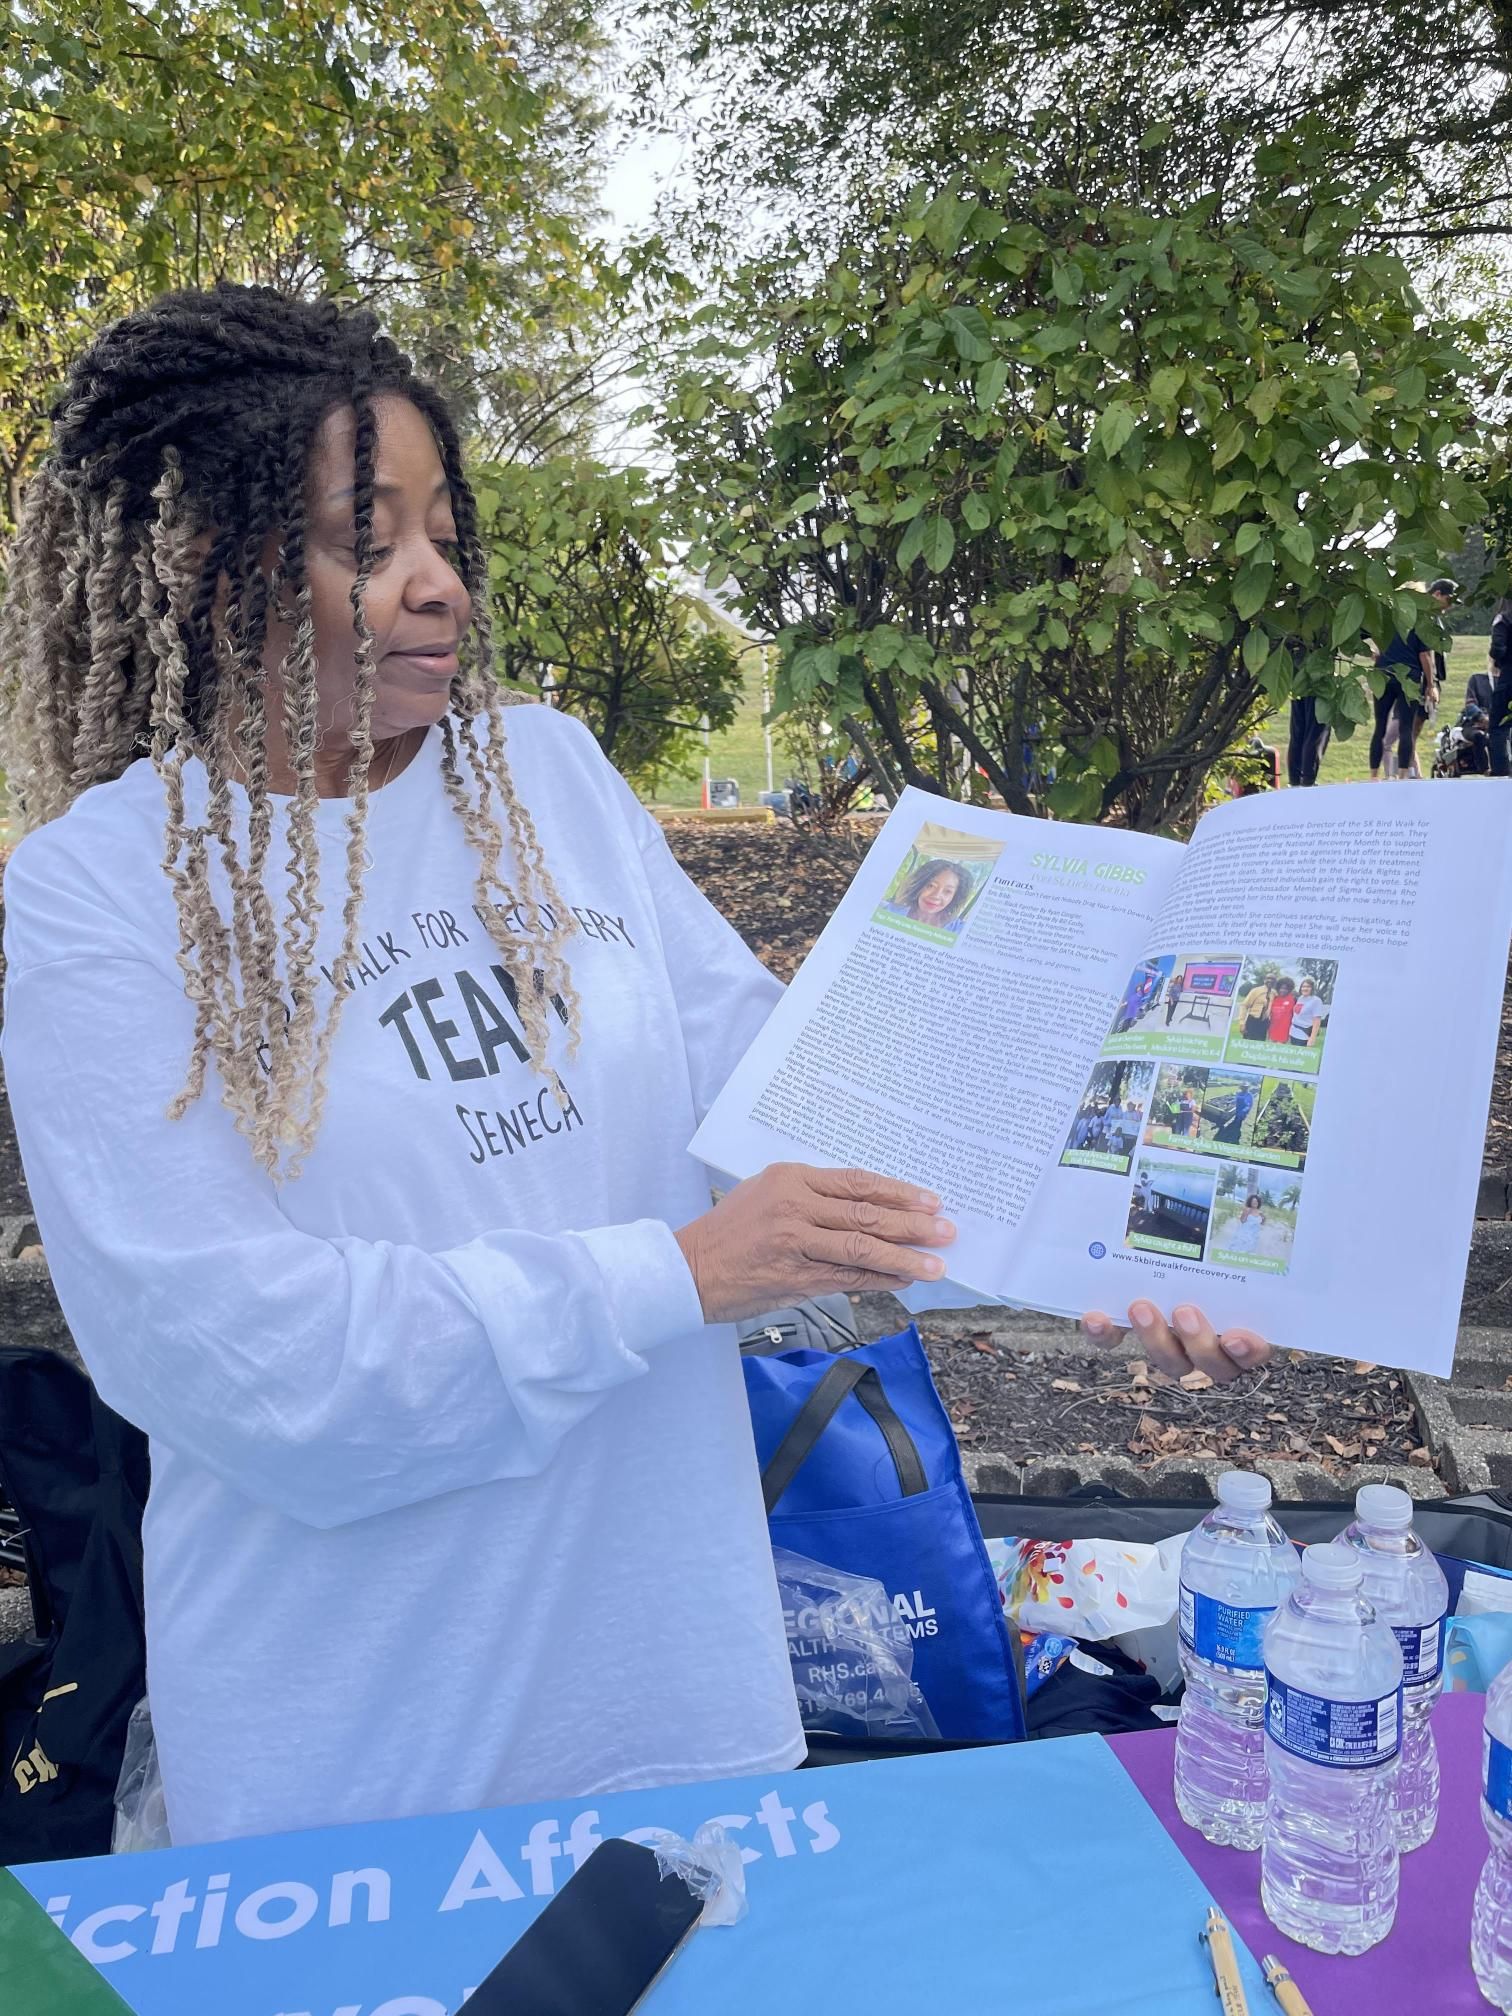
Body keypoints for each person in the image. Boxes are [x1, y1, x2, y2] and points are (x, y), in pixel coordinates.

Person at [0, 285, 1266, 1848]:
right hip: (355, 1753)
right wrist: (678, 1274)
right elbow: (234, 1360)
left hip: (672, 1701)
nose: (435, 587)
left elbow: (777, 1110)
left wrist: (1093, 1243)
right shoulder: (104, 886)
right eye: (365, 539)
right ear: (206, 563)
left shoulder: (547, 777)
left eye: (446, 540)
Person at [1369, 600, 1439, 781]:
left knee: (1380, 727)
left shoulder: (1384, 621)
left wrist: (1374, 653)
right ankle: (1403, 773)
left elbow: (1365, 636)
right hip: (1409, 677)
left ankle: (1374, 774)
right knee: (1406, 727)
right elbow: (1424, 656)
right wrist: (1430, 685)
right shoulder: (1418, 623)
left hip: (1384, 674)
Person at [883, 857, 973, 932]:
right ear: (919, 886)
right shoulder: (890, 912)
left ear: (955, 897)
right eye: (931, 886)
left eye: (947, 891)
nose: (936, 896)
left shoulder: (959, 930)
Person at [1286, 695, 1331, 787]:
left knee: (1298, 731)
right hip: (1319, 687)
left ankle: (1295, 780)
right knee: (1316, 731)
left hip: (1297, 684)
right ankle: (1307, 781)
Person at [1490, 595, 1512, 778]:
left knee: (1498, 726)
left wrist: (1498, 661)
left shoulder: (1503, 619)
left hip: (1509, 675)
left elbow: (1498, 647)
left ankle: (1500, 772)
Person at [1288, 976, 1328, 1049]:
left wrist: (1312, 1038)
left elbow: (1317, 1021)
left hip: (1304, 1035)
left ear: (1312, 988)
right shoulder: (1300, 998)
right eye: (1303, 986)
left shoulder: (1316, 1001)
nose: (1305, 988)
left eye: (1308, 986)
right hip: (1293, 1032)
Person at [1217, 1080, 1256, 1146]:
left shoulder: (1249, 1095)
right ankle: (1232, 1128)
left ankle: (1234, 1133)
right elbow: (1235, 1100)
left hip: (1243, 1110)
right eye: (1243, 1087)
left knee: (1238, 1121)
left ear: (1247, 1088)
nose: (1244, 1088)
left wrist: (1246, 1111)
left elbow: (1250, 1104)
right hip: (1238, 1109)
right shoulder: (1238, 1093)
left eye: (1245, 1087)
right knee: (1236, 1119)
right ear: (1241, 1088)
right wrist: (1230, 1102)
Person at [1267, 976, 1298, 1044]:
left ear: (1289, 989)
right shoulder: (1275, 998)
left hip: (1284, 1032)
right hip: (1272, 1031)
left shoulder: (1293, 1000)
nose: (1282, 990)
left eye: (1285, 989)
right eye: (1281, 988)